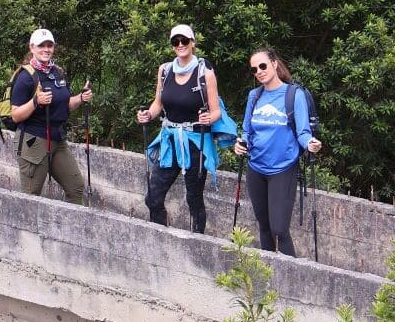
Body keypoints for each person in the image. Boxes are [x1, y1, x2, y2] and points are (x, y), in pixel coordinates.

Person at [136, 24, 235, 234]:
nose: (180, 45)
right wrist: (148, 115)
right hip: (170, 139)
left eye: (184, 41)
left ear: (192, 43)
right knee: (153, 197)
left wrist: (209, 118)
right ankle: (160, 236)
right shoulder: (164, 70)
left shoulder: (204, 73)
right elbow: (158, 103)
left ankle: (197, 242)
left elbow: (216, 111)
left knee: (194, 198)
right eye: (175, 42)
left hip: (195, 141)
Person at [234, 47, 322, 256]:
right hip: (255, 167)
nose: (259, 72)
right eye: (255, 69)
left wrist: (311, 143)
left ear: (274, 63)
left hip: (282, 170)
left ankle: (289, 280)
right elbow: (247, 129)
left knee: (279, 230)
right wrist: (240, 144)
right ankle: (268, 276)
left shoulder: (294, 95)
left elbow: (302, 132)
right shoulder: (254, 96)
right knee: (263, 227)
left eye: (263, 66)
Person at [9, 28, 93, 203]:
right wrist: (35, 102)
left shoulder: (57, 72)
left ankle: (70, 230)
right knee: (31, 197)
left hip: (57, 139)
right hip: (34, 141)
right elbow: (15, 115)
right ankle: (28, 230)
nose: (46, 49)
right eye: (41, 46)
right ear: (32, 47)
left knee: (75, 187)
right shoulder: (25, 77)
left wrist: (81, 98)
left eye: (49, 45)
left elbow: (66, 105)